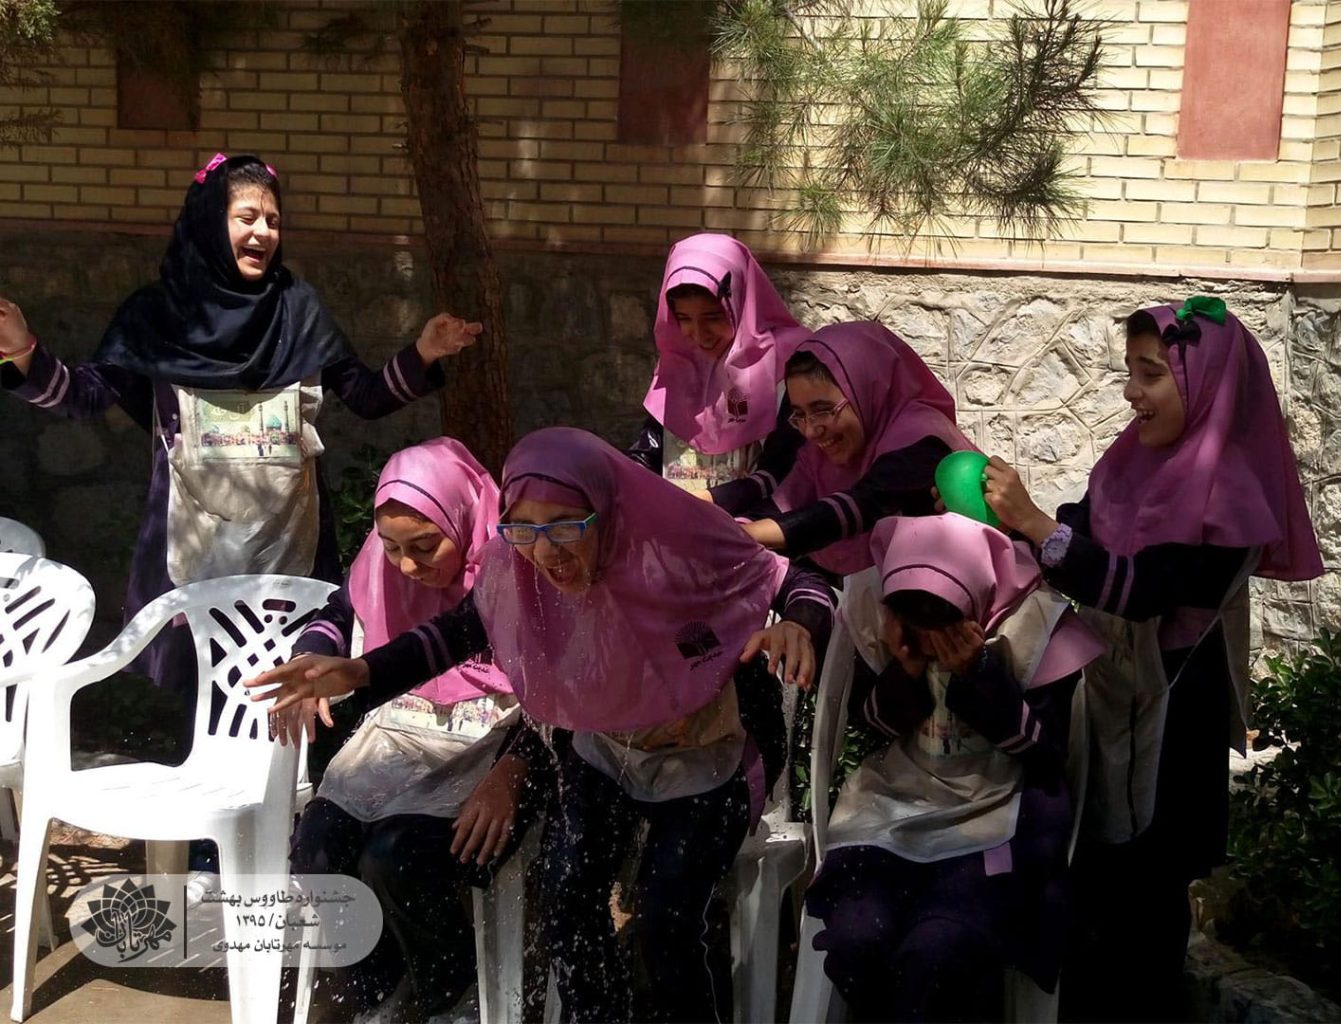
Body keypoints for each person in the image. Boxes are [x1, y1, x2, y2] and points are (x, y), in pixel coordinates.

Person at [252, 427, 837, 1023]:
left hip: (708, 754)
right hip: (606, 751)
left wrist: (799, 624)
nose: (546, 551)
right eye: (524, 529)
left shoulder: (680, 540)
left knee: (667, 918)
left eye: (565, 526)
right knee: (567, 896)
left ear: (604, 509)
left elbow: (798, 581)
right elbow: (453, 633)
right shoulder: (519, 566)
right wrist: (359, 670)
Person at [0, 153, 480, 760]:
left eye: (273, 220)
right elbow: (85, 396)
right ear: (210, 221)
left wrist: (424, 352)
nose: (262, 233)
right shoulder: (157, 315)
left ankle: (293, 808)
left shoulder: (297, 309)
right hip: (190, 546)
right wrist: (22, 352)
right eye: (246, 217)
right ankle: (210, 811)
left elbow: (364, 395)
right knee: (204, 698)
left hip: (294, 541)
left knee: (299, 689)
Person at [974, 298, 1323, 1021]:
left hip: (1174, 723)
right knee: (1094, 890)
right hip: (1107, 705)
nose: (1132, 392)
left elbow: (1144, 591)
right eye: (1129, 372)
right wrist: (1006, 526)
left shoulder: (1232, 496)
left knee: (1146, 902)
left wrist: (1034, 523)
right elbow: (1079, 528)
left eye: (1151, 373)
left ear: (1207, 384)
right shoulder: (1131, 461)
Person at [270, 438, 535, 1020]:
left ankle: (451, 989)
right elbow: (340, 612)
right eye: (392, 547)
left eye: (424, 545)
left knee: (397, 856)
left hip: (494, 735)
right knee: (317, 850)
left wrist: (515, 771)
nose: (408, 567)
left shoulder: (513, 569)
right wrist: (313, 659)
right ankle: (381, 987)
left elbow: (553, 693)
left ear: (461, 516)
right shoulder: (381, 561)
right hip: (404, 725)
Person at [804, 513, 1102, 1021]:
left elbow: (1047, 751)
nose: (931, 638)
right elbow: (871, 724)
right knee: (857, 939)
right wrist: (905, 673)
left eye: (941, 621)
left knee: (938, 951)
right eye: (915, 622)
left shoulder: (1030, 629)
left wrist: (979, 675)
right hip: (898, 809)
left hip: (994, 818)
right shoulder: (891, 630)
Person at [740, 321, 976, 576]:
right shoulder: (819, 456)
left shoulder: (922, 439)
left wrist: (742, 535)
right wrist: (730, 529)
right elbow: (785, 502)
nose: (810, 431)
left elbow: (862, 504)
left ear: (867, 390)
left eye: (823, 410)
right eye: (800, 415)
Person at [626, 232, 809, 509]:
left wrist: (705, 504)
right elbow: (649, 449)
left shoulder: (786, 364)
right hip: (677, 521)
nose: (699, 334)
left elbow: (785, 469)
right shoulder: (678, 363)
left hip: (753, 526)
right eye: (684, 319)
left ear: (740, 303)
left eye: (713, 317)